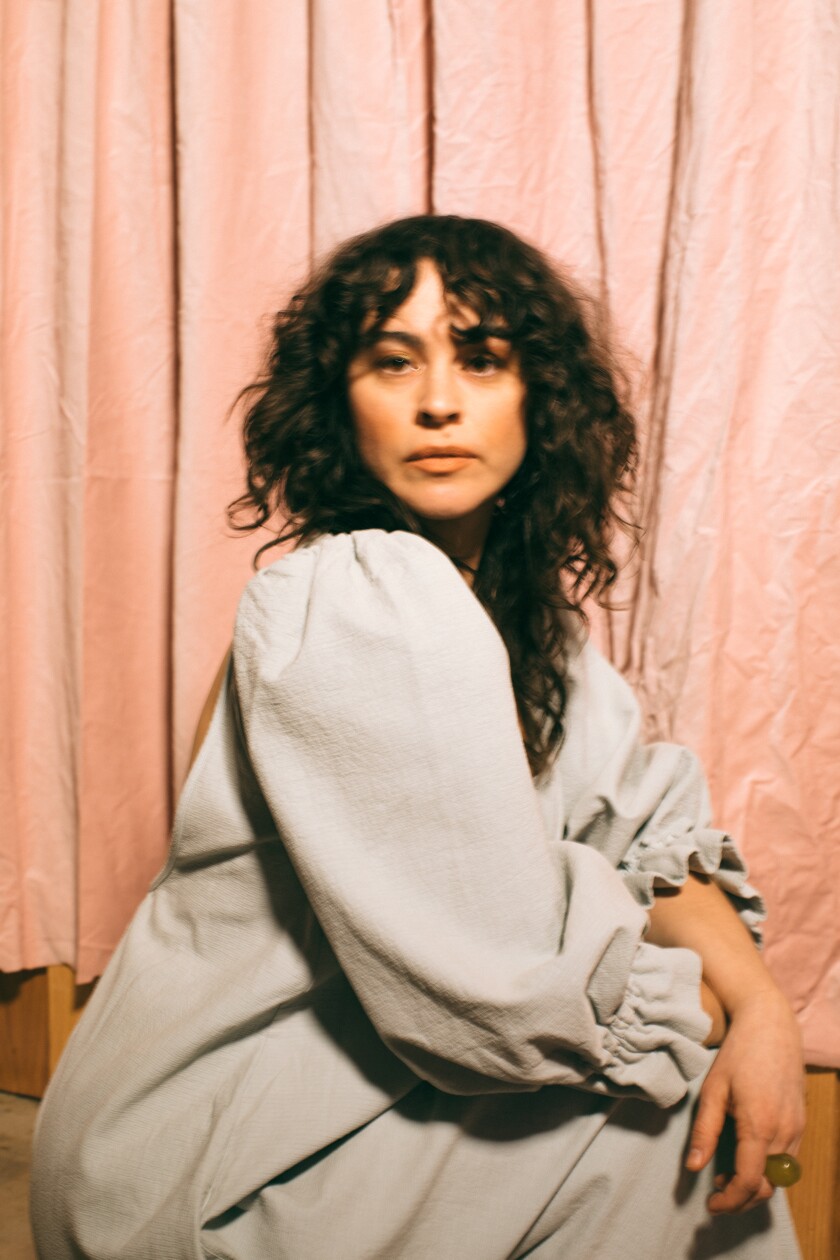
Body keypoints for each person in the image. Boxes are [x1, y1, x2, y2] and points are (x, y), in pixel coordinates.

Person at [31, 215, 805, 1259]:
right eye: (392, 362)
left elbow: (655, 845)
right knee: (662, 1120)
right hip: (224, 1140)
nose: (439, 400)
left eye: (483, 360)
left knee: (683, 1112)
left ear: (541, 400)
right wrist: (699, 1005)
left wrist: (763, 1015)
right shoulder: (349, 600)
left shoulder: (550, 642)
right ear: (337, 405)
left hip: (387, 1097)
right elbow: (497, 994)